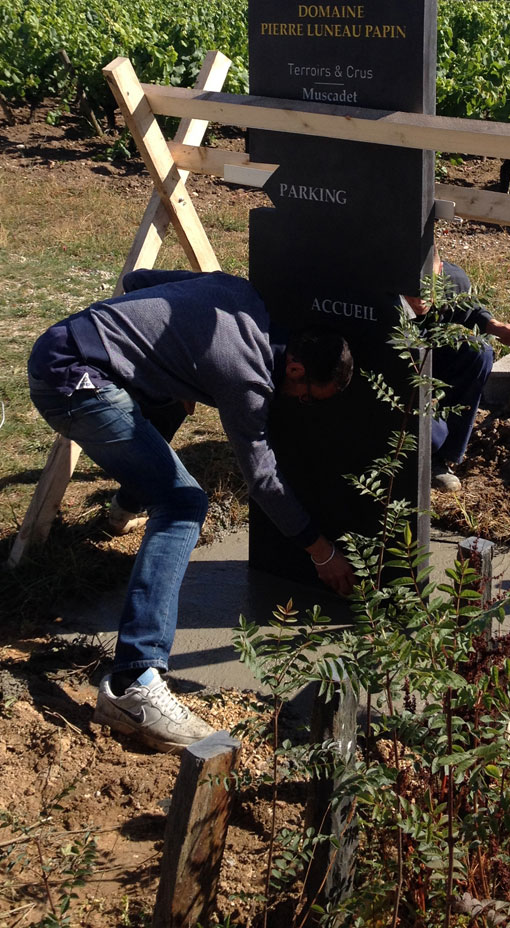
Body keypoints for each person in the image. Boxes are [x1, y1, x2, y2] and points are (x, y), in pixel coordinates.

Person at [27, 268, 355, 753]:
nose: (301, 405)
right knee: (184, 503)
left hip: (67, 341)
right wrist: (322, 553)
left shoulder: (241, 292)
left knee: (171, 401)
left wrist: (164, 359)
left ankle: (123, 506)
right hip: (72, 379)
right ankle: (135, 682)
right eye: (306, 397)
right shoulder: (247, 378)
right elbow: (262, 480)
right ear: (295, 369)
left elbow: (137, 281)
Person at [406, 249, 510, 492]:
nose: (421, 297)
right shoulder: (379, 294)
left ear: (440, 273)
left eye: (428, 287)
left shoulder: (453, 280)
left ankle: (440, 457)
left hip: (430, 356)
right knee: (430, 436)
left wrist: (494, 325)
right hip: (397, 365)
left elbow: (467, 308)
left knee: (478, 352)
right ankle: (424, 443)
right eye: (413, 288)